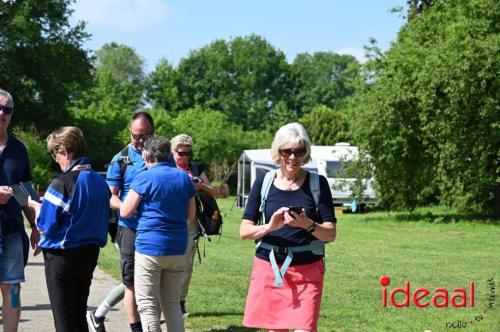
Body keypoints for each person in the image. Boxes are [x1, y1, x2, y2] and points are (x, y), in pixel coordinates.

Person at [239, 122, 337, 332]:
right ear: (278, 152)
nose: (293, 157)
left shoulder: (318, 184)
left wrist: (307, 225)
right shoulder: (263, 183)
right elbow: (244, 231)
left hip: (308, 272)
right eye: (287, 151)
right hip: (270, 269)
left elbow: (330, 234)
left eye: (299, 151)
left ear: (306, 153)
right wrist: (269, 227)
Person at [28, 126, 110, 332]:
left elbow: (46, 225)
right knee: (78, 314)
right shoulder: (101, 182)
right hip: (90, 253)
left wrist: (38, 207)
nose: (55, 160)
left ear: (64, 151)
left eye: (55, 154)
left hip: (63, 257)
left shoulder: (62, 183)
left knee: (63, 318)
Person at [86, 112, 156, 332]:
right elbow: (111, 197)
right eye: (137, 136)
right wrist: (127, 208)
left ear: (153, 132)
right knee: (132, 283)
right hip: (130, 229)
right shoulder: (121, 160)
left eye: (146, 136)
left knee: (156, 282)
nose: (141, 141)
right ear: (130, 132)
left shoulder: (164, 157)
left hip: (156, 229)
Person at [120, 136, 196, 331]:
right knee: (172, 305)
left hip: (150, 248)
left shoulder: (144, 177)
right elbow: (191, 214)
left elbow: (125, 211)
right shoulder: (183, 177)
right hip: (178, 247)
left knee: (147, 306)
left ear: (146, 155)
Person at [0, 89, 40, 332]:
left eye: (7, 109)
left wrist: (35, 225)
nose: (2, 113)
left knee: (13, 290)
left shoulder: (18, 149)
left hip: (12, 232)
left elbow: (24, 191)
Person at [170, 133, 216, 317]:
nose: (184, 157)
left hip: (191, 223)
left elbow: (212, 191)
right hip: (169, 221)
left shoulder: (195, 168)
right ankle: (164, 303)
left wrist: (200, 186)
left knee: (186, 266)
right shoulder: (165, 167)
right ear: (172, 151)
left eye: (188, 153)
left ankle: (180, 302)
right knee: (166, 264)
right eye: (180, 153)